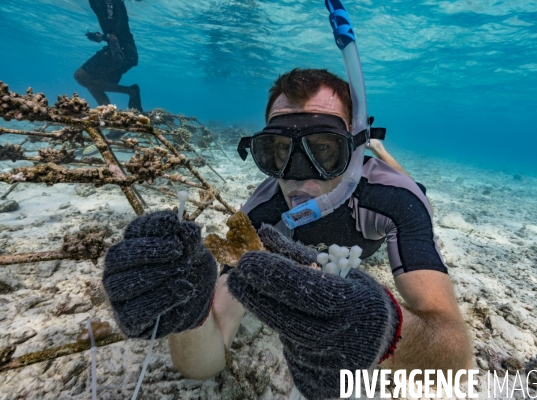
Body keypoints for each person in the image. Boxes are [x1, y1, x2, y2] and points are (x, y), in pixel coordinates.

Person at [102, 69, 472, 400]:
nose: (299, 178)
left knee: (419, 192)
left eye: (324, 151)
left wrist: (387, 329)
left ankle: (382, 153)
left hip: (388, 200)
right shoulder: (262, 214)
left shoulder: (393, 200)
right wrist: (189, 314)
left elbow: (454, 356)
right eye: (278, 152)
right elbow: (202, 365)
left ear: (351, 149)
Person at [74, 0, 143, 112]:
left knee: (81, 76)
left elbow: (113, 28)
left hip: (122, 50)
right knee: (91, 81)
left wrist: (105, 37)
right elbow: (115, 26)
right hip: (127, 51)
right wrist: (101, 36)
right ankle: (108, 114)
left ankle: (131, 91)